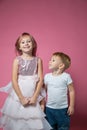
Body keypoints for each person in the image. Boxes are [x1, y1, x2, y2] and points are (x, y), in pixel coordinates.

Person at [0, 32, 51, 130]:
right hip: (19, 93)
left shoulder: (38, 60)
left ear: (33, 44)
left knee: (33, 118)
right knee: (17, 118)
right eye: (23, 42)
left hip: (33, 92)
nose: (26, 43)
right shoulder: (17, 60)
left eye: (29, 41)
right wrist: (21, 98)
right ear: (19, 46)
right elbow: (14, 80)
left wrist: (35, 97)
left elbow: (40, 80)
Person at [44, 52, 75, 130]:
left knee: (63, 127)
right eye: (50, 60)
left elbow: (71, 91)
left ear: (61, 65)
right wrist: (42, 103)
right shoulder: (47, 77)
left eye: (53, 60)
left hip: (62, 109)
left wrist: (71, 106)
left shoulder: (66, 77)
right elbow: (44, 91)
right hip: (49, 108)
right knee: (50, 127)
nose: (49, 61)